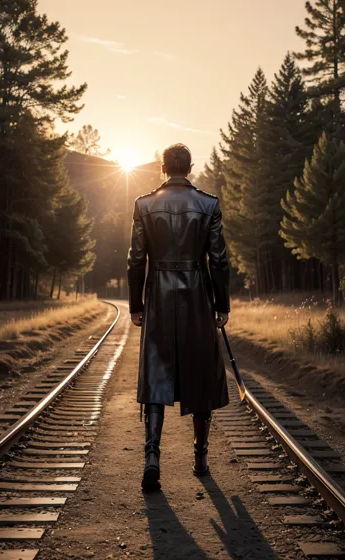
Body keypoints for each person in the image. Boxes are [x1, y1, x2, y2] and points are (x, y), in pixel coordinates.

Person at [127, 143, 230, 492]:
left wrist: (136, 306)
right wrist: (222, 304)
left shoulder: (144, 204)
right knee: (200, 373)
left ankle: (151, 457)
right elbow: (218, 260)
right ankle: (200, 456)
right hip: (197, 298)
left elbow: (135, 260)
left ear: (163, 167)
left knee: (156, 373)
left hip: (157, 296)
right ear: (189, 167)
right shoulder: (208, 204)